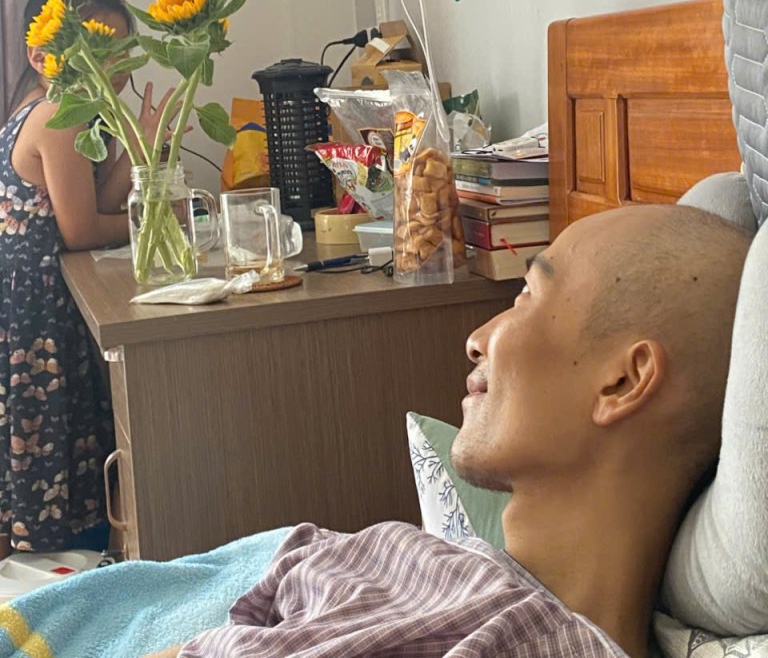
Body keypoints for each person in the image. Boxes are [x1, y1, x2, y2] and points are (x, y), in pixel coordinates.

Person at [146, 202, 752, 658]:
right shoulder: (390, 554)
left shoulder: (531, 640)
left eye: (526, 296)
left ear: (623, 382)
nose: (476, 339)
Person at [0, 0, 173, 557]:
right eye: (98, 47)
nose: (115, 64)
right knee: (54, 434)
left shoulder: (51, 109)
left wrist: (142, 145)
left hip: (36, 299)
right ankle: (62, 567)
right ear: (42, 55)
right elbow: (80, 232)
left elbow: (95, 202)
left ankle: (55, 560)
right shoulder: (58, 114)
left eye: (121, 48)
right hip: (38, 310)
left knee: (47, 440)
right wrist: (160, 219)